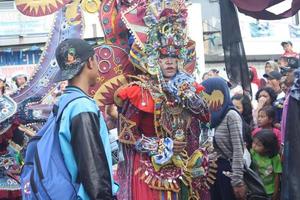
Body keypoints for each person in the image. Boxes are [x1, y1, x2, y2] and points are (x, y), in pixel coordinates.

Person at [115, 1, 215, 199]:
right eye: (163, 57)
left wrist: (189, 97)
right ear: (154, 59)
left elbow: (205, 119)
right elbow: (127, 136)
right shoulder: (140, 91)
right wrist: (161, 146)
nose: (169, 61)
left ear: (181, 59)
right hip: (149, 171)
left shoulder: (189, 88)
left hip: (185, 167)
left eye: (174, 56)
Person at [54, 38, 118, 199]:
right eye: (96, 60)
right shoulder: (82, 107)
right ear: (90, 62)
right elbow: (93, 171)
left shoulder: (65, 101)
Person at [202, 78, 246, 200]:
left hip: (227, 170)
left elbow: (238, 150)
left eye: (206, 96)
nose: (203, 100)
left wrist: (237, 180)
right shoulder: (207, 117)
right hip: (211, 170)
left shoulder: (231, 115)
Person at [251, 129, 282, 200]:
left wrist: (275, 193)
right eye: (254, 142)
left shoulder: (275, 157)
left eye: (258, 145)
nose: (254, 146)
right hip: (256, 188)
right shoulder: (253, 153)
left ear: (267, 148)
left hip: (270, 190)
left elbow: (277, 175)